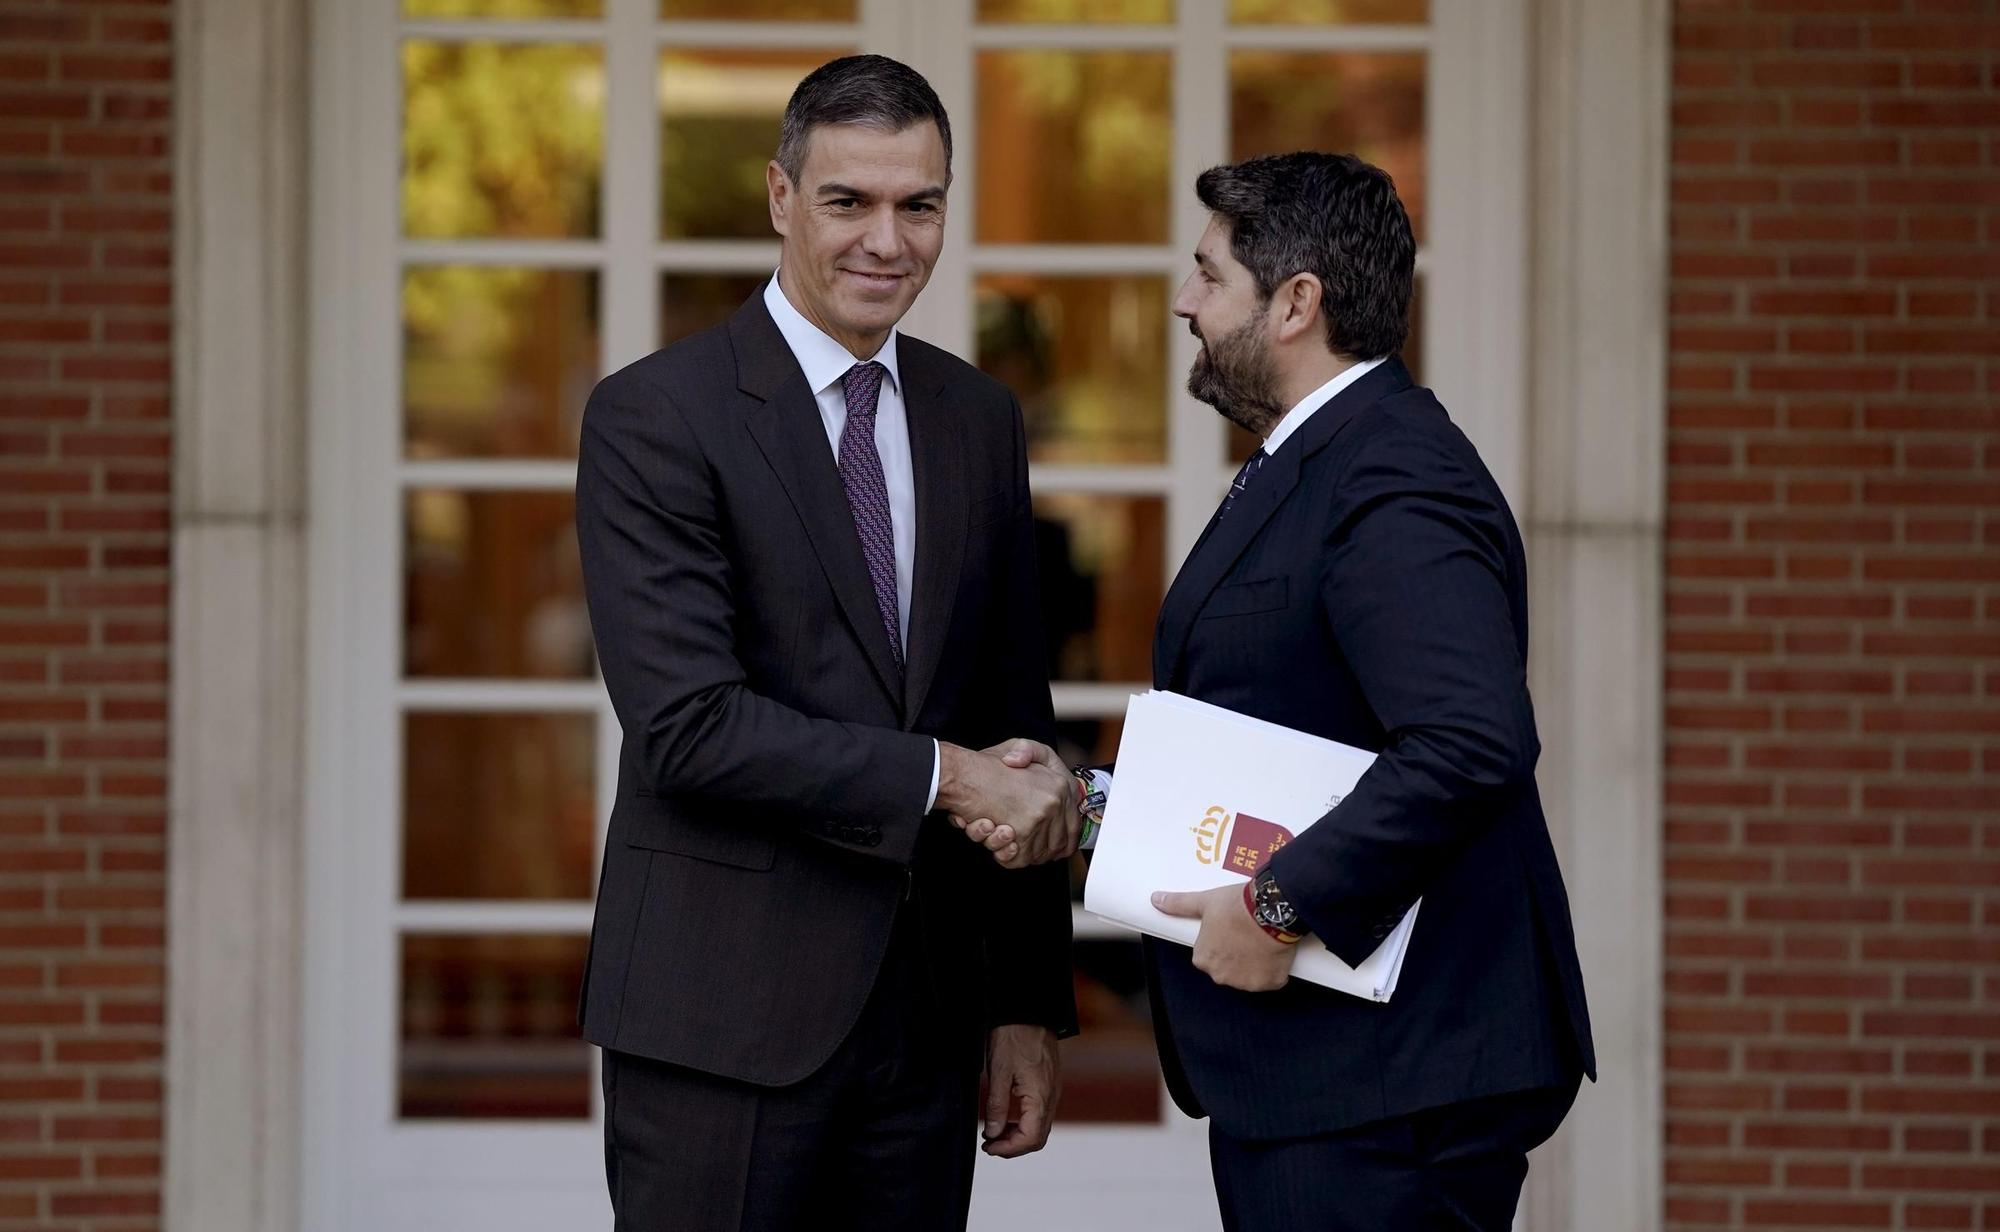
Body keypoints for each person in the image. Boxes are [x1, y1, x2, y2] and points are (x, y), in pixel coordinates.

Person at [966, 153, 1596, 1230]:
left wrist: (1277, 901)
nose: (1182, 301)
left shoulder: (1393, 474)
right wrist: (1092, 804)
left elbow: (1469, 739)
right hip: (1332, 1082)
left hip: (1388, 1093)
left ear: (1295, 302)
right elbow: (1284, 730)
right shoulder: (1314, 459)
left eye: (1208, 275)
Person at [573, 54, 1081, 1232]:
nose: (886, 242)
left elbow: (1015, 706)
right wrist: (947, 776)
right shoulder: (657, 415)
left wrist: (1021, 1002)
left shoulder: (976, 418)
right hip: (718, 1017)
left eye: (920, 204)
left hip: (924, 1020)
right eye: (849, 202)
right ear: (780, 198)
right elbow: (690, 726)